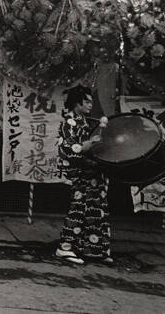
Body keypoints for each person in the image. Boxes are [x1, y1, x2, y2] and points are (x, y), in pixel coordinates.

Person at [55, 85, 112, 266]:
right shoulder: (68, 123)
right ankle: (65, 247)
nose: (90, 105)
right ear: (76, 103)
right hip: (83, 173)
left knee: (96, 209)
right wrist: (89, 145)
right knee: (79, 210)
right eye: (86, 101)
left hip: (94, 172)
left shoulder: (85, 121)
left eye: (91, 101)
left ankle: (94, 249)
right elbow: (68, 149)